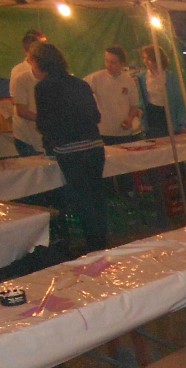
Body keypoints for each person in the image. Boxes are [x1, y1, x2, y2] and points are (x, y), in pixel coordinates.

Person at [30, 41, 108, 254]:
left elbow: (44, 124)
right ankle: (101, 243)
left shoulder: (43, 88)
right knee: (96, 195)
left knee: (83, 200)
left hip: (70, 150)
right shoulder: (80, 84)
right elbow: (95, 116)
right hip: (94, 146)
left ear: (40, 63)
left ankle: (94, 247)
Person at [85, 46, 143, 145]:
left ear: (122, 64)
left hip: (124, 132)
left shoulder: (129, 81)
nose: (109, 65)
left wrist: (129, 119)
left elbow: (134, 105)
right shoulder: (95, 78)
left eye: (113, 62)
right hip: (102, 132)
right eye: (107, 61)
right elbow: (83, 95)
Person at [138, 45, 186, 137]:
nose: (145, 61)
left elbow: (179, 101)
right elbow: (140, 100)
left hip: (168, 113)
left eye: (148, 58)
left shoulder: (170, 77)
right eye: (144, 58)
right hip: (152, 114)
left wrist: (181, 123)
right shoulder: (141, 78)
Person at [10, 29, 46, 156]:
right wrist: (46, 119)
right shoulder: (19, 72)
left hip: (44, 133)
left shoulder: (48, 70)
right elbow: (19, 106)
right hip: (26, 135)